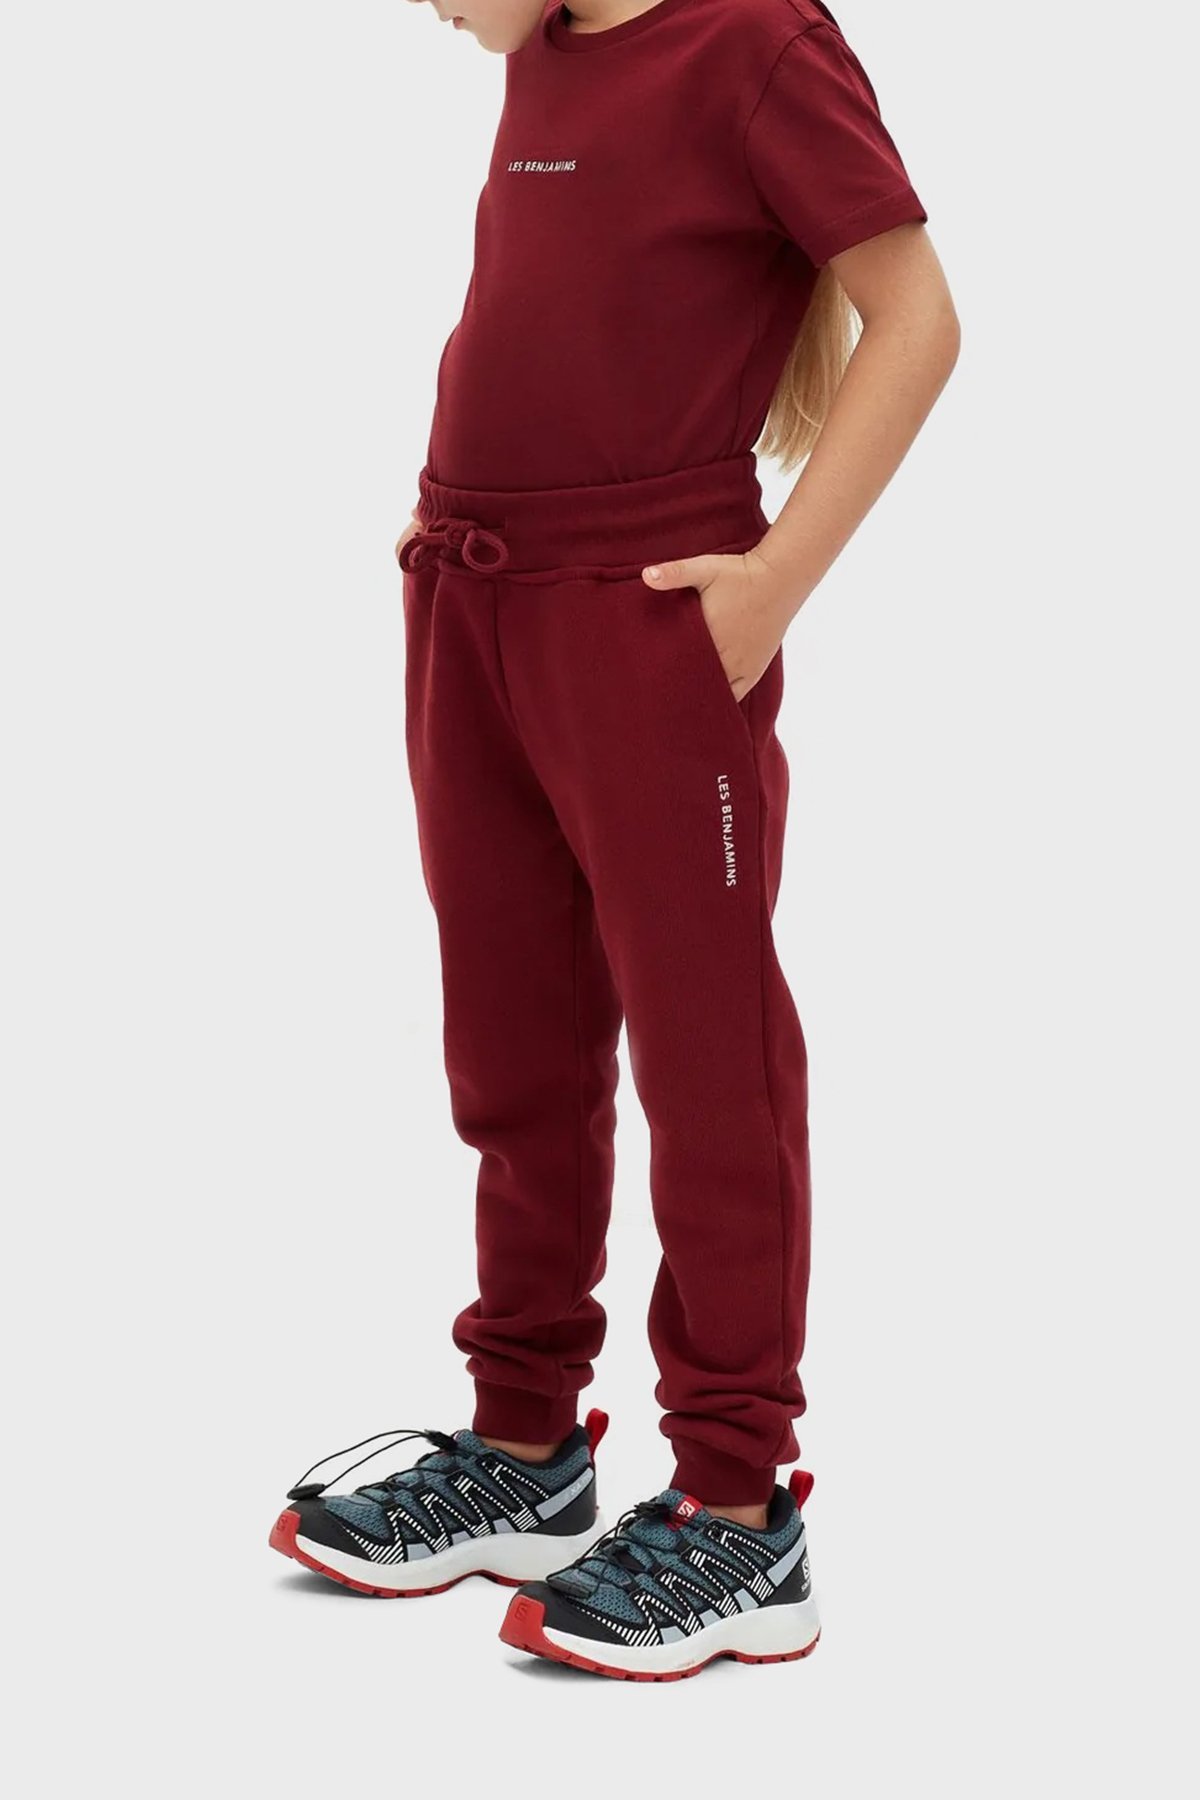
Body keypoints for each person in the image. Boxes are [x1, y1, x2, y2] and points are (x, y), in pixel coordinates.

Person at [270, 0, 959, 1681]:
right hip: (473, 601)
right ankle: (525, 1448)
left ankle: (740, 1509)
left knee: (708, 1054)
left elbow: (920, 317)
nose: (430, 4)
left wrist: (771, 587)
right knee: (512, 1040)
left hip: (649, 619)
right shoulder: (548, 52)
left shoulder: (755, 46)